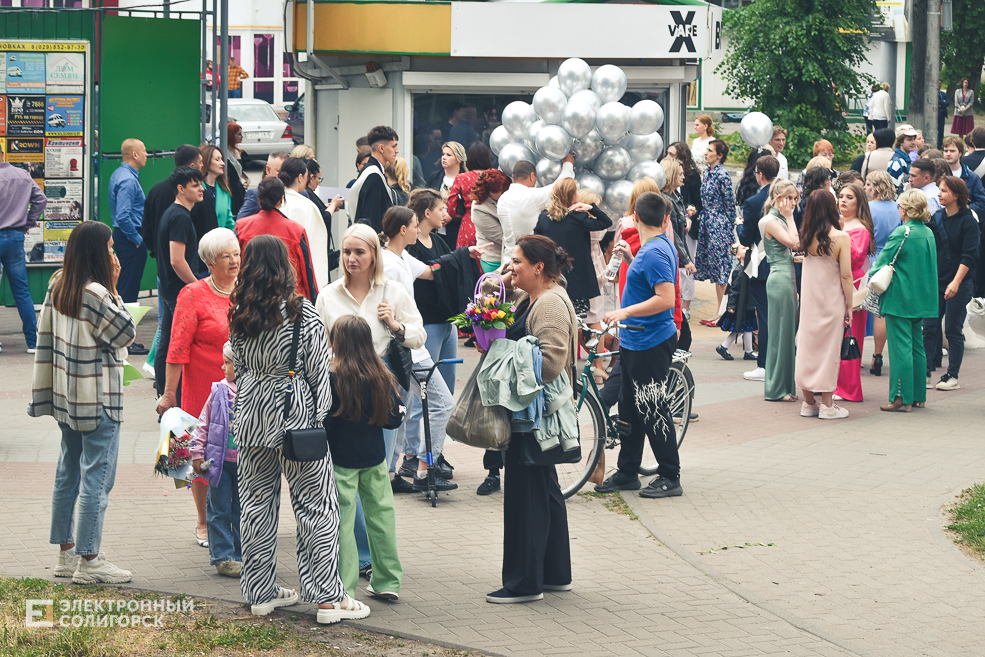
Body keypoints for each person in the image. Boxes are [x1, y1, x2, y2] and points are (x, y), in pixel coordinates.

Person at [229, 235, 369, 624]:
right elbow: (318, 373)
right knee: (316, 507)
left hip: (252, 413)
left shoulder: (238, 311)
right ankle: (326, 597)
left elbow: (238, 367)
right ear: (284, 266)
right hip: (296, 415)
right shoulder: (302, 313)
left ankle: (260, 591)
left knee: (256, 506)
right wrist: (318, 417)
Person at [29, 221, 136, 583]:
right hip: (98, 399)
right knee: (97, 479)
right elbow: (125, 332)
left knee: (67, 472)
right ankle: (89, 561)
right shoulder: (97, 293)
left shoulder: (59, 282)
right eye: (108, 247)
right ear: (95, 252)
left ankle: (66, 552)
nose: (113, 254)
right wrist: (115, 288)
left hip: (66, 397)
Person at [481, 234, 577, 603]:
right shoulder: (534, 295)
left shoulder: (549, 304)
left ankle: (524, 584)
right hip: (533, 411)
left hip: (533, 414)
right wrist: (503, 280)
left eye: (517, 262)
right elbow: (486, 297)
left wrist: (504, 353)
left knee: (526, 496)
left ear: (539, 267)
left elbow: (551, 363)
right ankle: (554, 574)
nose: (511, 266)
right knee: (545, 491)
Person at [316, 223, 427, 495]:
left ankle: (369, 532)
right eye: (346, 252)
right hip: (338, 385)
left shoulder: (393, 291)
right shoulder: (328, 295)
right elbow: (317, 346)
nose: (351, 259)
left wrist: (395, 324)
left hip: (380, 383)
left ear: (374, 255)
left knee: (378, 469)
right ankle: (347, 534)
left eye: (359, 252)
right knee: (341, 471)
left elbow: (418, 336)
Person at [156, 227, 240, 548]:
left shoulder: (246, 290)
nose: (234, 261)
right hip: (202, 388)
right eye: (225, 256)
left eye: (236, 254)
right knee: (201, 455)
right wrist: (168, 393)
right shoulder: (192, 294)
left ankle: (233, 518)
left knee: (233, 455)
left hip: (239, 391)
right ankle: (204, 520)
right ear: (208, 261)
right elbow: (176, 347)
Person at [595, 192, 681, 498]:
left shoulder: (655, 252)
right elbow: (648, 282)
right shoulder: (654, 247)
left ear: (636, 217)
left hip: (650, 341)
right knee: (630, 408)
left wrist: (624, 312)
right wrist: (632, 259)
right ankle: (628, 472)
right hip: (637, 339)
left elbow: (666, 299)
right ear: (665, 219)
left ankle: (670, 475)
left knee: (653, 407)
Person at [378, 206, 459, 492]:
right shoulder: (387, 264)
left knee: (400, 407)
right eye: (414, 225)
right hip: (405, 349)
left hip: (409, 346)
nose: (418, 229)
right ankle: (426, 467)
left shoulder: (402, 256)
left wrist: (463, 256)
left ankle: (392, 472)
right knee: (443, 403)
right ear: (403, 230)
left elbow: (429, 271)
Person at [326, 315, 404, 600]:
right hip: (375, 458)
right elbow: (392, 419)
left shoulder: (331, 377)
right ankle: (388, 581)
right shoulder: (380, 374)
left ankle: (345, 588)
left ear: (336, 342)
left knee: (344, 523)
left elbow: (325, 422)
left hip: (340, 460)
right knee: (382, 518)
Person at [871, 190, 938, 411]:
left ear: (906, 210)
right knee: (917, 347)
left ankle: (900, 396)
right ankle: (918, 395)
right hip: (921, 298)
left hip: (900, 298)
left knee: (900, 350)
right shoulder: (928, 232)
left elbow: (881, 263)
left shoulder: (903, 232)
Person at [794, 191, 854, 420]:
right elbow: (846, 277)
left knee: (807, 348)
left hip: (810, 302)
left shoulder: (806, 236)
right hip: (831, 301)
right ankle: (828, 405)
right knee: (829, 352)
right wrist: (849, 305)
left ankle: (808, 402)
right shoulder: (840, 238)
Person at [189, 342, 242, 578]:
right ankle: (223, 557)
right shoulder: (218, 391)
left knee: (242, 511)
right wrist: (197, 453)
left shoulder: (253, 390)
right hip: (219, 463)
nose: (223, 366)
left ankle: (243, 555)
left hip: (246, 464)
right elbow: (204, 424)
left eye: (228, 362)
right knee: (219, 510)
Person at [154, 166, 206, 398]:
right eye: (195, 185)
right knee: (181, 346)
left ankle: (164, 394)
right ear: (180, 188)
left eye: (201, 184)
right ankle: (175, 396)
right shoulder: (180, 217)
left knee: (167, 343)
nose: (201, 189)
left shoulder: (173, 213)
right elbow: (177, 261)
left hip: (170, 288)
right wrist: (197, 286)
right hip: (179, 290)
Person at [925, 176, 979, 391]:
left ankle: (952, 376)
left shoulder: (968, 221)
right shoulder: (937, 218)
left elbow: (970, 255)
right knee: (928, 328)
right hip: (936, 281)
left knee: (953, 330)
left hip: (960, 282)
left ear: (956, 195)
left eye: (944, 191)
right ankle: (926, 372)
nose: (939, 194)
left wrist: (956, 282)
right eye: (939, 190)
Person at [534, 178, 612, 316]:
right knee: (577, 322)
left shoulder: (543, 219)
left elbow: (537, 244)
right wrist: (591, 208)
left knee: (556, 316)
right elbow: (606, 222)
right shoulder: (578, 218)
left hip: (552, 277)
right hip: (577, 279)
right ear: (572, 195)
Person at [236, 177, 319, 302]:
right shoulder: (296, 230)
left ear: (259, 199)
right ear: (282, 199)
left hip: (251, 297)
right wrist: (313, 301)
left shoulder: (241, 227)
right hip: (289, 299)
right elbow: (307, 271)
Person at [0, 140, 46, 353]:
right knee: (21, 290)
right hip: (16, 237)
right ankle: (32, 342)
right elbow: (41, 199)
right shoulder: (22, 175)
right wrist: (27, 222)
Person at [737, 155, 780, 381]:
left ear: (760, 174)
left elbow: (746, 239)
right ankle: (781, 360)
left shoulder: (754, 202)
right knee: (780, 315)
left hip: (761, 263)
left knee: (764, 315)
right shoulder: (787, 198)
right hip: (783, 262)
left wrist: (739, 227)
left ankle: (764, 365)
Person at [833, 183, 875, 403]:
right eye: (841, 196)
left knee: (851, 337)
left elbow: (853, 255)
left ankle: (849, 388)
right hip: (839, 283)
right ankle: (837, 384)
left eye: (849, 197)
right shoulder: (844, 224)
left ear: (859, 201)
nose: (843, 200)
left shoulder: (859, 228)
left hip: (854, 286)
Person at [760, 180, 801, 401]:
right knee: (780, 335)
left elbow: (792, 248)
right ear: (778, 198)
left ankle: (784, 386)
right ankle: (776, 388)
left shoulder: (776, 220)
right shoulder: (771, 221)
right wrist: (791, 218)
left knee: (786, 334)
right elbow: (795, 243)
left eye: (795, 198)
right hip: (780, 280)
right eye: (790, 198)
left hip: (786, 277)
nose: (793, 203)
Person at [694, 138, 737, 323]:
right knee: (715, 271)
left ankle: (722, 313)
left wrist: (731, 227)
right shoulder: (707, 172)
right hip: (708, 224)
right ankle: (720, 311)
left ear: (719, 155)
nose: (706, 153)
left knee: (722, 272)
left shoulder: (722, 175)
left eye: (710, 150)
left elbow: (730, 203)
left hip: (719, 225)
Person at [863, 170, 902, 376]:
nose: (866, 188)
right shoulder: (898, 208)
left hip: (868, 259)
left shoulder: (867, 208)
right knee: (881, 312)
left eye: (868, 184)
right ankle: (877, 355)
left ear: (875, 186)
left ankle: (855, 351)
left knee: (859, 307)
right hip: (889, 262)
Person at [499, 155, 576, 256]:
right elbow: (560, 186)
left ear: (513, 177)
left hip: (508, 255)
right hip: (529, 256)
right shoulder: (531, 196)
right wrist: (568, 164)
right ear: (532, 176)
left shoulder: (502, 199)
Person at [108, 138, 149, 304]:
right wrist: (137, 239)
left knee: (125, 283)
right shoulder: (128, 180)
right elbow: (123, 216)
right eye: (144, 150)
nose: (147, 154)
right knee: (128, 287)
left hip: (125, 235)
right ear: (134, 154)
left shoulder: (120, 174)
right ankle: (124, 322)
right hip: (129, 237)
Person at [279, 157, 330, 288]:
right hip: (299, 279)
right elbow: (314, 246)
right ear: (300, 177)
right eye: (307, 176)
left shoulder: (275, 201)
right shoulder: (306, 206)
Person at [667, 141, 702, 313]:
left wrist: (690, 214)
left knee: (687, 265)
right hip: (676, 228)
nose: (668, 157)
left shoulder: (692, 177)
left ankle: (685, 306)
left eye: (672, 154)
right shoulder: (667, 193)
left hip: (687, 227)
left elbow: (697, 202)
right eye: (667, 154)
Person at [350, 126, 398, 232]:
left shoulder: (371, 171)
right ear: (381, 148)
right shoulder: (373, 176)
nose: (397, 151)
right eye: (394, 146)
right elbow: (372, 220)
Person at [448, 141, 493, 248]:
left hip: (469, 222)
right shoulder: (494, 176)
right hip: (491, 222)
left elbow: (451, 205)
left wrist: (455, 214)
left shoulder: (462, 178)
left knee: (466, 258)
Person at [424, 141, 467, 245]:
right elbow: (424, 199)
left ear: (459, 158)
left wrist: (452, 216)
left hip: (456, 231)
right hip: (434, 230)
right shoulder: (435, 177)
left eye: (448, 155)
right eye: (443, 154)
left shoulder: (465, 179)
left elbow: (469, 207)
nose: (444, 157)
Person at [471, 169, 511, 273]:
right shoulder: (479, 208)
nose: (505, 193)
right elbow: (501, 237)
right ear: (489, 191)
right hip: (494, 258)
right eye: (501, 191)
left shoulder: (503, 197)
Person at [941, 136, 985, 219]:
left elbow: (981, 201)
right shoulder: (938, 174)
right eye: (946, 151)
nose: (948, 154)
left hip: (963, 220)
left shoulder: (972, 177)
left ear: (960, 153)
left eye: (952, 151)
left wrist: (966, 210)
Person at [237, 151, 289, 219]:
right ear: (268, 169)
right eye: (279, 172)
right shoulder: (256, 194)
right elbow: (242, 223)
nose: (284, 176)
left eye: (288, 172)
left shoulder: (298, 193)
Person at [199, 144, 236, 231]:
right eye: (217, 159)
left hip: (220, 241)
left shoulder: (224, 191)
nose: (222, 163)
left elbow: (229, 221)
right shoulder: (196, 188)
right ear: (206, 161)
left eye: (222, 159)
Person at [304, 158, 344, 236]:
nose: (319, 182)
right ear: (312, 178)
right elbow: (323, 219)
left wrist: (326, 207)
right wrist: (333, 205)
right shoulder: (308, 195)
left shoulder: (307, 193)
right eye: (319, 178)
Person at [226, 123, 248, 216]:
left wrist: (246, 178)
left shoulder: (237, 151)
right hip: (231, 187)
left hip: (239, 186)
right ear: (231, 135)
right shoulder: (224, 151)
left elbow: (239, 168)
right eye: (238, 134)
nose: (241, 137)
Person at [890, 125, 918, 192]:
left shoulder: (906, 159)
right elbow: (894, 188)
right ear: (900, 141)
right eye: (909, 140)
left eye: (914, 139)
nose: (913, 142)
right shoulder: (897, 161)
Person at [939, 81, 951, 149]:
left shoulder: (943, 94)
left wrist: (942, 103)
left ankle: (940, 144)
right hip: (936, 113)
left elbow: (948, 103)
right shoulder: (933, 93)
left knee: (941, 129)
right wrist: (942, 102)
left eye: (940, 83)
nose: (939, 84)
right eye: (938, 83)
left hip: (942, 113)